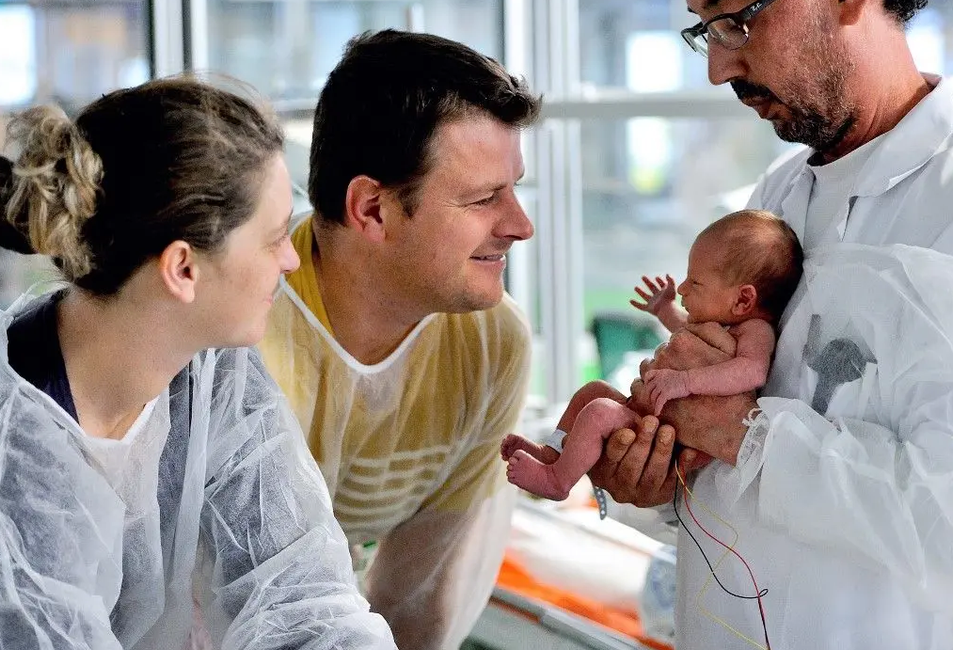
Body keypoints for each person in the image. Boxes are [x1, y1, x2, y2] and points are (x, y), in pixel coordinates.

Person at [589, 0, 953, 648]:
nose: (717, 67)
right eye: (704, 29)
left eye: (734, 18)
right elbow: (740, 486)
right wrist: (660, 470)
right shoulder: (774, 201)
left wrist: (744, 436)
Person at [0, 78, 397, 650]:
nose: (290, 260)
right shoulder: (16, 462)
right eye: (274, 237)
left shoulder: (208, 373)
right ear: (183, 269)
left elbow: (301, 590)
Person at [257, 30, 540, 650]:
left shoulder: (493, 342)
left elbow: (418, 594)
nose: (522, 225)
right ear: (373, 209)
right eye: (482, 198)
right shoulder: (244, 340)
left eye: (515, 187)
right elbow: (208, 604)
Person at [501, 210, 801, 501]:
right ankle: (553, 453)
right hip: (649, 415)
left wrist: (684, 382)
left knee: (599, 411)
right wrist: (664, 309)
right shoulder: (719, 322)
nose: (683, 287)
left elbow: (752, 371)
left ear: (743, 299)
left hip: (672, 439)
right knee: (591, 392)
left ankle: (558, 482)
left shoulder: (754, 331)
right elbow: (685, 330)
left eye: (694, 282)